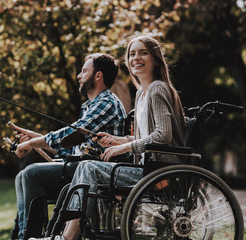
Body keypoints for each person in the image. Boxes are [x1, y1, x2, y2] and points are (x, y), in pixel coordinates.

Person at [30, 35, 186, 240]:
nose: (136, 58)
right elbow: (145, 138)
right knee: (86, 167)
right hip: (146, 168)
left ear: (156, 59)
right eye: (132, 54)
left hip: (159, 172)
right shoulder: (141, 94)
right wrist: (115, 140)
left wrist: (123, 148)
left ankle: (67, 237)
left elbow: (163, 136)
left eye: (143, 52)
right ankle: (60, 232)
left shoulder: (158, 88)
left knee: (89, 168)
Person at [12, 53, 128, 240]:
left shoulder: (106, 103)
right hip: (80, 166)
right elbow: (70, 148)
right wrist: (36, 139)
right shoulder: (91, 106)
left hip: (94, 172)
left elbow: (70, 135)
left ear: (98, 75)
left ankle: (29, 236)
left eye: (84, 71)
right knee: (21, 177)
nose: (79, 76)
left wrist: (33, 142)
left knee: (31, 174)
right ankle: (23, 235)